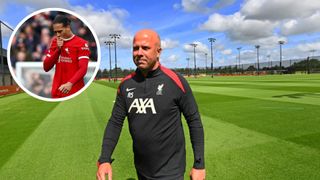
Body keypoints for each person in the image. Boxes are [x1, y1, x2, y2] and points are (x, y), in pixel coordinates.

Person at [97, 29, 205, 180]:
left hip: (171, 171)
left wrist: (199, 164)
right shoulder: (126, 84)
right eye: (135, 48)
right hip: (142, 169)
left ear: (158, 51)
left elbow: (194, 121)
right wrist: (104, 159)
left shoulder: (175, 81)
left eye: (145, 48)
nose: (139, 53)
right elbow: (115, 122)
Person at [43, 15, 90, 98]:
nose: (57, 34)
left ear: (68, 27)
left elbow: (83, 68)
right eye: (55, 32)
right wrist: (58, 50)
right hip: (56, 92)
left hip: (74, 91)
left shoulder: (81, 43)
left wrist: (70, 83)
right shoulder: (55, 41)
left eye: (60, 31)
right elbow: (46, 67)